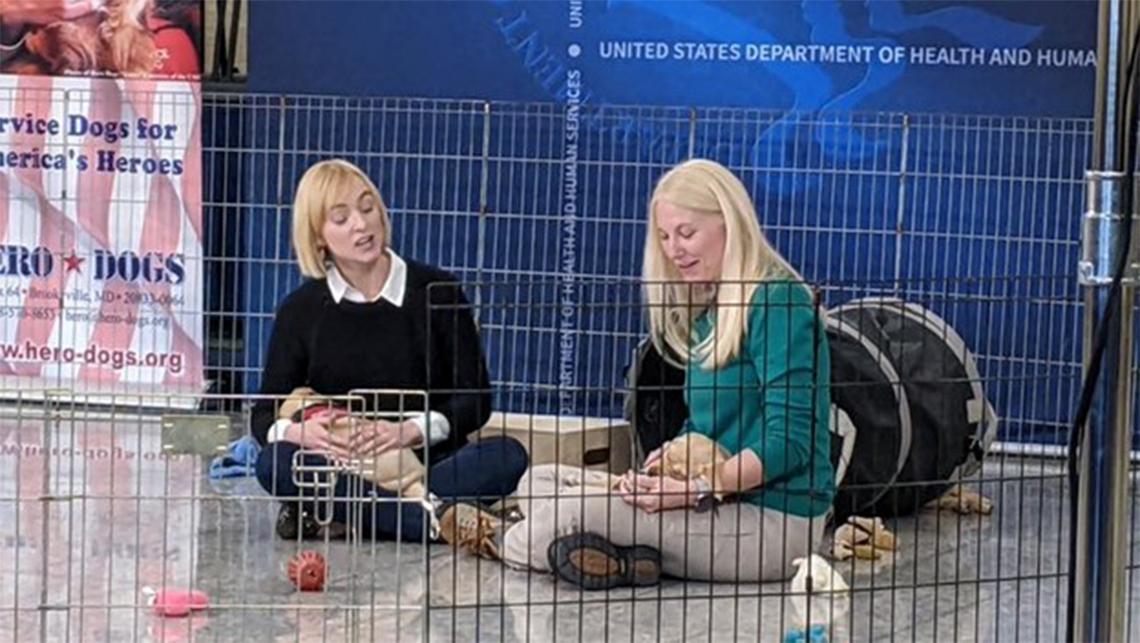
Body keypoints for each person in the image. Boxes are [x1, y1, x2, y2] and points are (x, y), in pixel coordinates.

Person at [441, 158, 834, 588]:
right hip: (712, 500)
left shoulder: (779, 303)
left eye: (686, 233)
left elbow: (793, 441)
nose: (673, 249)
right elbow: (704, 428)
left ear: (731, 225)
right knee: (540, 481)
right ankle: (631, 560)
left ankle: (502, 539)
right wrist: (662, 468)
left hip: (773, 524)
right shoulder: (711, 309)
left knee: (562, 514)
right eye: (664, 236)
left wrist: (697, 488)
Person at [252, 158, 528, 543]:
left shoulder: (439, 292)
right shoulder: (300, 310)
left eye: (368, 208)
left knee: (509, 456)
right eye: (342, 218)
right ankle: (432, 520)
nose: (362, 225)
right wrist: (303, 434)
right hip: (342, 465)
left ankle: (354, 516)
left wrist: (407, 432)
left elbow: (475, 400)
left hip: (429, 461)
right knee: (273, 464)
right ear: (318, 237)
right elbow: (263, 415)